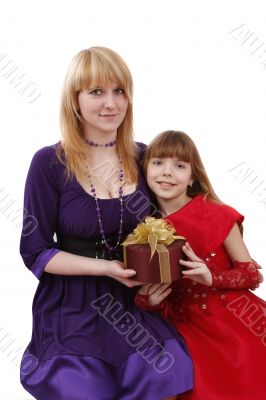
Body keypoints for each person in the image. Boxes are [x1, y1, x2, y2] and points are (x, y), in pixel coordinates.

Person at [19, 48, 193, 400]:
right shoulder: (49, 163)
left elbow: (177, 224)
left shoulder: (147, 157)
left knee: (167, 369)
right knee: (83, 385)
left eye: (120, 91)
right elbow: (35, 251)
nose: (111, 103)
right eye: (96, 92)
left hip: (132, 301)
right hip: (71, 305)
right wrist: (104, 269)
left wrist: (155, 287)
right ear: (75, 100)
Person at [134, 130, 266, 400]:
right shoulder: (141, 227)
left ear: (193, 176)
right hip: (181, 327)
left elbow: (251, 274)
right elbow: (142, 287)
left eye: (179, 166)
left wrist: (213, 277)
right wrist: (147, 301)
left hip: (233, 321)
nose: (167, 172)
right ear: (145, 168)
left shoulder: (216, 213)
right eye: (158, 163)